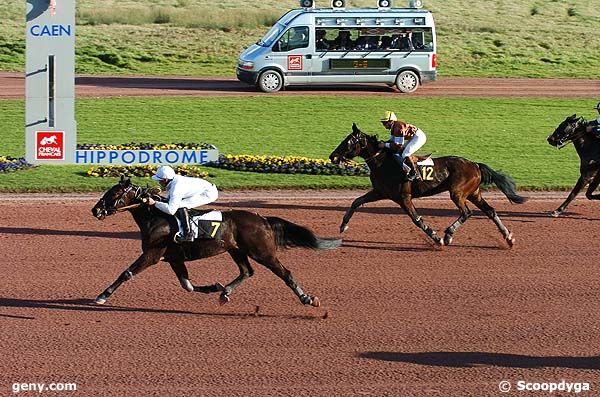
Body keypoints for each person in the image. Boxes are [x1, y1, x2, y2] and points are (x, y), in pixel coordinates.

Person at [146, 165, 219, 243]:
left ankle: (188, 234)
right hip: (203, 189)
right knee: (175, 203)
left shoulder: (177, 188)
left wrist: (155, 203)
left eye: (160, 180)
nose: (159, 182)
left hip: (208, 193)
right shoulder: (173, 179)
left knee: (181, 205)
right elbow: (169, 199)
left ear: (166, 179)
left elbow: (171, 210)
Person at [378, 111, 427, 181]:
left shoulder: (398, 128)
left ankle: (414, 173)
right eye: (383, 123)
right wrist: (384, 143)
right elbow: (392, 141)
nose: (384, 125)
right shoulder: (393, 127)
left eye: (385, 123)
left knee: (405, 153)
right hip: (413, 137)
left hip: (419, 137)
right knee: (400, 152)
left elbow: (398, 146)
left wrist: (384, 145)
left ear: (391, 121)